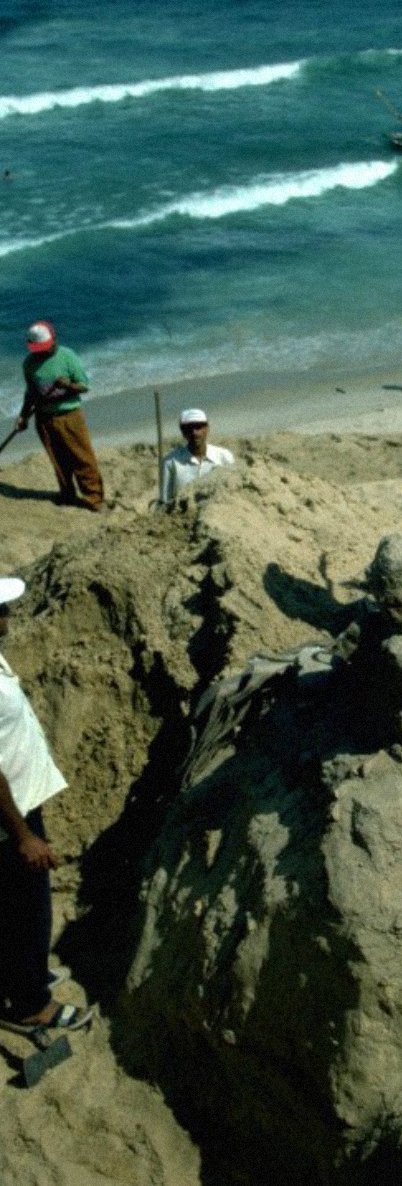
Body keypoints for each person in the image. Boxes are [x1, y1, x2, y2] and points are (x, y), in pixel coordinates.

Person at [0, 577, 93, 1036]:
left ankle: (16, 978)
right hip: (8, 815)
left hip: (17, 803)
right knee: (27, 908)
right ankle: (32, 1003)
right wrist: (22, 836)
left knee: (10, 904)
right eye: (1, 609)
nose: (7, 616)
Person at [16, 320, 105, 512]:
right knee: (58, 460)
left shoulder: (67, 356)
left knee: (82, 458)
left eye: (46, 347)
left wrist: (68, 386)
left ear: (54, 339)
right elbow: (30, 393)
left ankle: (94, 499)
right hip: (44, 418)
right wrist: (23, 416)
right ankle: (67, 494)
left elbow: (84, 386)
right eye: (39, 349)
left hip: (69, 415)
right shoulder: (29, 363)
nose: (44, 352)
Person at [160, 408, 234, 503]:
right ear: (183, 432)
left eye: (198, 427)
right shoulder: (170, 462)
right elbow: (165, 500)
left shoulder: (224, 457)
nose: (194, 433)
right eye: (189, 428)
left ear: (207, 429)